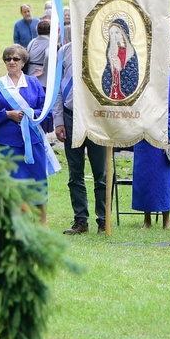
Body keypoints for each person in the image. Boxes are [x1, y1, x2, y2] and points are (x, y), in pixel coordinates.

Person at [0, 44, 53, 226]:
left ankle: (41, 222)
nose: (11, 62)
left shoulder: (33, 83)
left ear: (23, 62)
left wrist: (30, 114)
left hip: (33, 142)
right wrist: (7, 114)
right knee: (11, 183)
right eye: (8, 59)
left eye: (16, 59)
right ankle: (14, 221)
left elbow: (45, 110)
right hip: (7, 144)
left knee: (38, 180)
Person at [54, 41, 107, 234]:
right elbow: (57, 89)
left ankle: (103, 220)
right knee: (75, 173)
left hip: (96, 118)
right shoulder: (64, 51)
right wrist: (58, 120)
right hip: (70, 117)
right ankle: (80, 220)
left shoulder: (102, 47)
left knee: (100, 173)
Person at [132, 75, 170, 229]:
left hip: (165, 135)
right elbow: (135, 106)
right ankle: (146, 219)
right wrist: (148, 125)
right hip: (145, 136)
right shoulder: (140, 78)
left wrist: (162, 124)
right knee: (145, 177)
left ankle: (166, 219)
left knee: (165, 177)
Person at [102, 17, 139, 100]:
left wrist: (120, 68)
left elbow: (132, 71)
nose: (114, 36)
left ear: (123, 33)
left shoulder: (130, 51)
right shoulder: (111, 51)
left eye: (116, 32)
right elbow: (107, 71)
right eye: (111, 33)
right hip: (113, 86)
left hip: (124, 86)